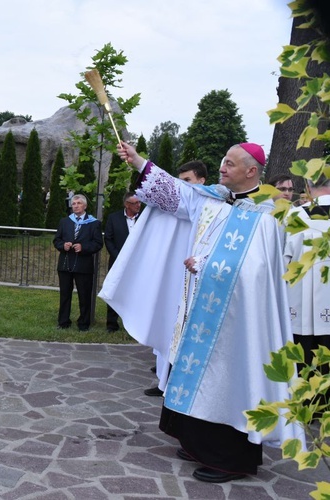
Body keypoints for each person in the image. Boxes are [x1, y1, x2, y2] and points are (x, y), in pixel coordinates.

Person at [102, 141, 303, 483]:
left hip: (237, 322)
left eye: (230, 164)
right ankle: (199, 443)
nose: (221, 167)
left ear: (251, 172)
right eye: (222, 160)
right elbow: (176, 193)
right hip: (201, 310)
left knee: (228, 380)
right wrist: (138, 161)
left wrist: (206, 265)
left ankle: (231, 459)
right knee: (196, 373)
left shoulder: (268, 214)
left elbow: (254, 270)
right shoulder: (214, 198)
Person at [143, 161, 209, 398]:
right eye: (180, 181)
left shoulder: (209, 205)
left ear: (201, 180)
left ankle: (176, 383)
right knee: (168, 325)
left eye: (188, 181)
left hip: (198, 279)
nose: (183, 187)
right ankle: (163, 380)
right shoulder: (182, 203)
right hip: (176, 276)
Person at [284, 176, 330, 365]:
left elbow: (282, 265)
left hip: (298, 317)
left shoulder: (292, 217)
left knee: (301, 375)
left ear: (308, 187)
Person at [53, 194, 103, 331]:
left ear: (85, 206)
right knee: (65, 295)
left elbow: (98, 243)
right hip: (65, 264)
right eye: (73, 203)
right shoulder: (65, 222)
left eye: (78, 203)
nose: (75, 206)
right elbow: (56, 240)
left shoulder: (94, 223)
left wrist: (83, 247)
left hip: (83, 265)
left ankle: (83, 323)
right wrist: (63, 245)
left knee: (84, 295)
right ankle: (63, 322)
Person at [103, 192, 140, 333]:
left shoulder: (144, 219)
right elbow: (109, 239)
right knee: (114, 291)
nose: (138, 205)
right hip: (117, 262)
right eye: (135, 203)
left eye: (139, 203)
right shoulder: (114, 218)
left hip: (138, 263)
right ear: (126, 204)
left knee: (136, 293)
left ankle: (134, 324)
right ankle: (112, 324)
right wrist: (119, 258)